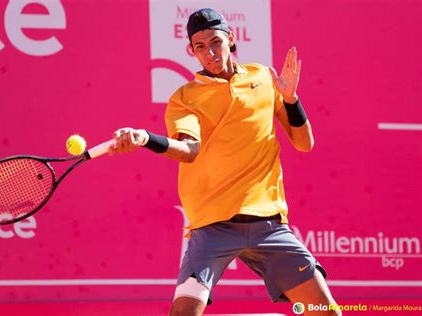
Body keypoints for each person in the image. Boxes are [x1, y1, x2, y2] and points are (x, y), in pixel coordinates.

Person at [108, 8, 341, 316]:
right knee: (183, 313)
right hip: (213, 226)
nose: (210, 53)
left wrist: (290, 100)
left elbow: (304, 143)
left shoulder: (263, 77)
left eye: (215, 42)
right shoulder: (184, 98)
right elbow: (188, 150)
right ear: (191, 51)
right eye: (200, 47)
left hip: (268, 224)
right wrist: (146, 138)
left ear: (231, 39)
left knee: (326, 312)